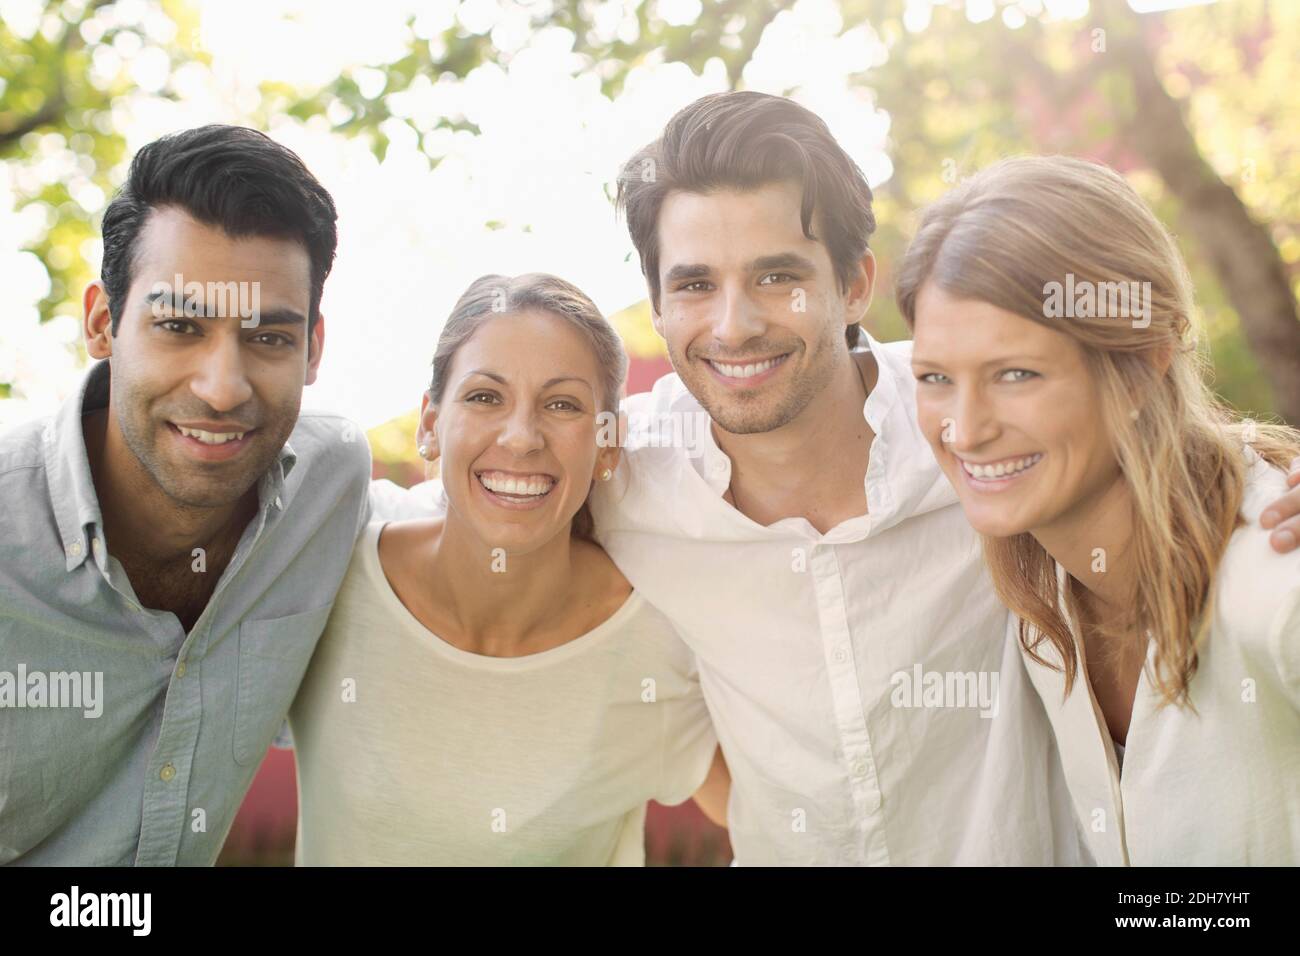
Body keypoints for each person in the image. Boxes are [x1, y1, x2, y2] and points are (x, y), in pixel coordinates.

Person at [898, 155, 1300, 864]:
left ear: (1143, 364)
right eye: (935, 378)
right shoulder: (1041, 604)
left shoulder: (1276, 580)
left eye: (1015, 374)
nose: (964, 428)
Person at [0, 126, 371, 865]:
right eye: (179, 326)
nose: (222, 388)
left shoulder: (329, 481)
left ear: (313, 350)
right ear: (104, 323)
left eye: (268, 338)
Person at [289, 274, 726, 865]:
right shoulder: (328, 582)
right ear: (429, 424)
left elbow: (783, 819)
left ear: (607, 446)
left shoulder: (658, 637)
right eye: (484, 397)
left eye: (562, 404)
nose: (521, 438)